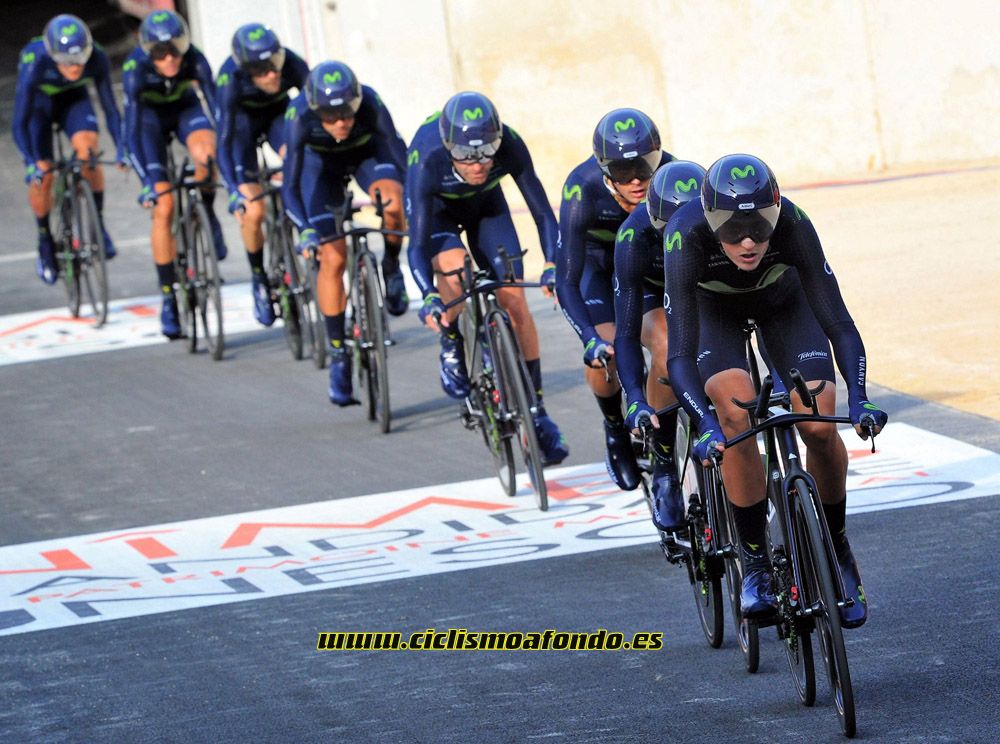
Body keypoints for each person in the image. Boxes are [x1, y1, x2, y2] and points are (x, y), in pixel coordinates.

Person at [663, 153, 888, 626]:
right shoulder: (684, 235)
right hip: (714, 314)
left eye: (760, 228)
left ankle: (837, 546)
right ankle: (756, 562)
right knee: (735, 413)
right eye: (731, 231)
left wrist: (861, 396)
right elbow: (679, 354)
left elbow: (840, 325)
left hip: (785, 306)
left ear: (776, 209)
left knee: (819, 422)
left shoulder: (796, 223)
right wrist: (703, 424)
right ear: (709, 218)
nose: (747, 242)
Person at [405, 91, 568, 465]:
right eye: (465, 156)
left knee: (514, 301)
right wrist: (429, 296)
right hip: (439, 215)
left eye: (486, 152)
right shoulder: (427, 157)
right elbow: (416, 245)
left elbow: (543, 213)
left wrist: (552, 264)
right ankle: (451, 340)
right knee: (453, 269)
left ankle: (537, 410)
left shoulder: (510, 143)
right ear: (448, 147)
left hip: (486, 208)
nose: (477, 164)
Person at [556, 108, 672, 489]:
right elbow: (568, 279)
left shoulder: (675, 177)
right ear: (605, 172)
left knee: (667, 346)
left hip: (643, 268)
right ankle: (615, 429)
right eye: (624, 173)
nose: (638, 181)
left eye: (646, 166)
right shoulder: (581, 187)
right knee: (606, 352)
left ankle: (661, 448)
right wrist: (589, 336)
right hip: (597, 269)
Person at [283, 61, 408, 405]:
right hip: (319, 169)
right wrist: (306, 230)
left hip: (367, 155)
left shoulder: (371, 102)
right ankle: (338, 352)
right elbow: (290, 187)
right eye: (329, 114)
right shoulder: (298, 116)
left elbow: (400, 157)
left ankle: (392, 266)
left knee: (395, 204)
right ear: (313, 108)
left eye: (348, 112)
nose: (340, 122)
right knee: (333, 257)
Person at [613, 160, 705, 531]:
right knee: (667, 345)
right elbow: (625, 332)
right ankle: (665, 464)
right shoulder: (633, 236)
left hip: (703, 283)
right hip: (655, 290)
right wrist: (634, 396)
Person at [123, 9, 225, 339]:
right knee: (163, 207)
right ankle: (168, 298)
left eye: (175, 49)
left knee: (207, 155)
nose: (169, 59)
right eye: (160, 53)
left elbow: (217, 109)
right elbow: (132, 127)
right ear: (148, 52)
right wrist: (145, 183)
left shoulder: (195, 60)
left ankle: (207, 211)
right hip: (149, 123)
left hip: (185, 111)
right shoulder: (135, 69)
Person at [13, 14, 126, 284]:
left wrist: (122, 148)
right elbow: (20, 121)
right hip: (39, 107)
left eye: (80, 60)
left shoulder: (96, 57)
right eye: (67, 62)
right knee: (44, 172)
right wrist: (30, 162)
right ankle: (44, 239)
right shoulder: (35, 61)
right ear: (53, 55)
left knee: (89, 154)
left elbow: (111, 109)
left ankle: (98, 224)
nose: (75, 68)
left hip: (74, 101)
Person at [215, 24, 310, 327]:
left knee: (296, 160)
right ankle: (258, 278)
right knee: (253, 210)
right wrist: (234, 189)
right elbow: (225, 140)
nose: (273, 74)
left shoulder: (293, 64)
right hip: (242, 127)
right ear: (246, 69)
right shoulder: (229, 79)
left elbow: (312, 111)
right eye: (262, 69)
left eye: (275, 64)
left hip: (277, 117)